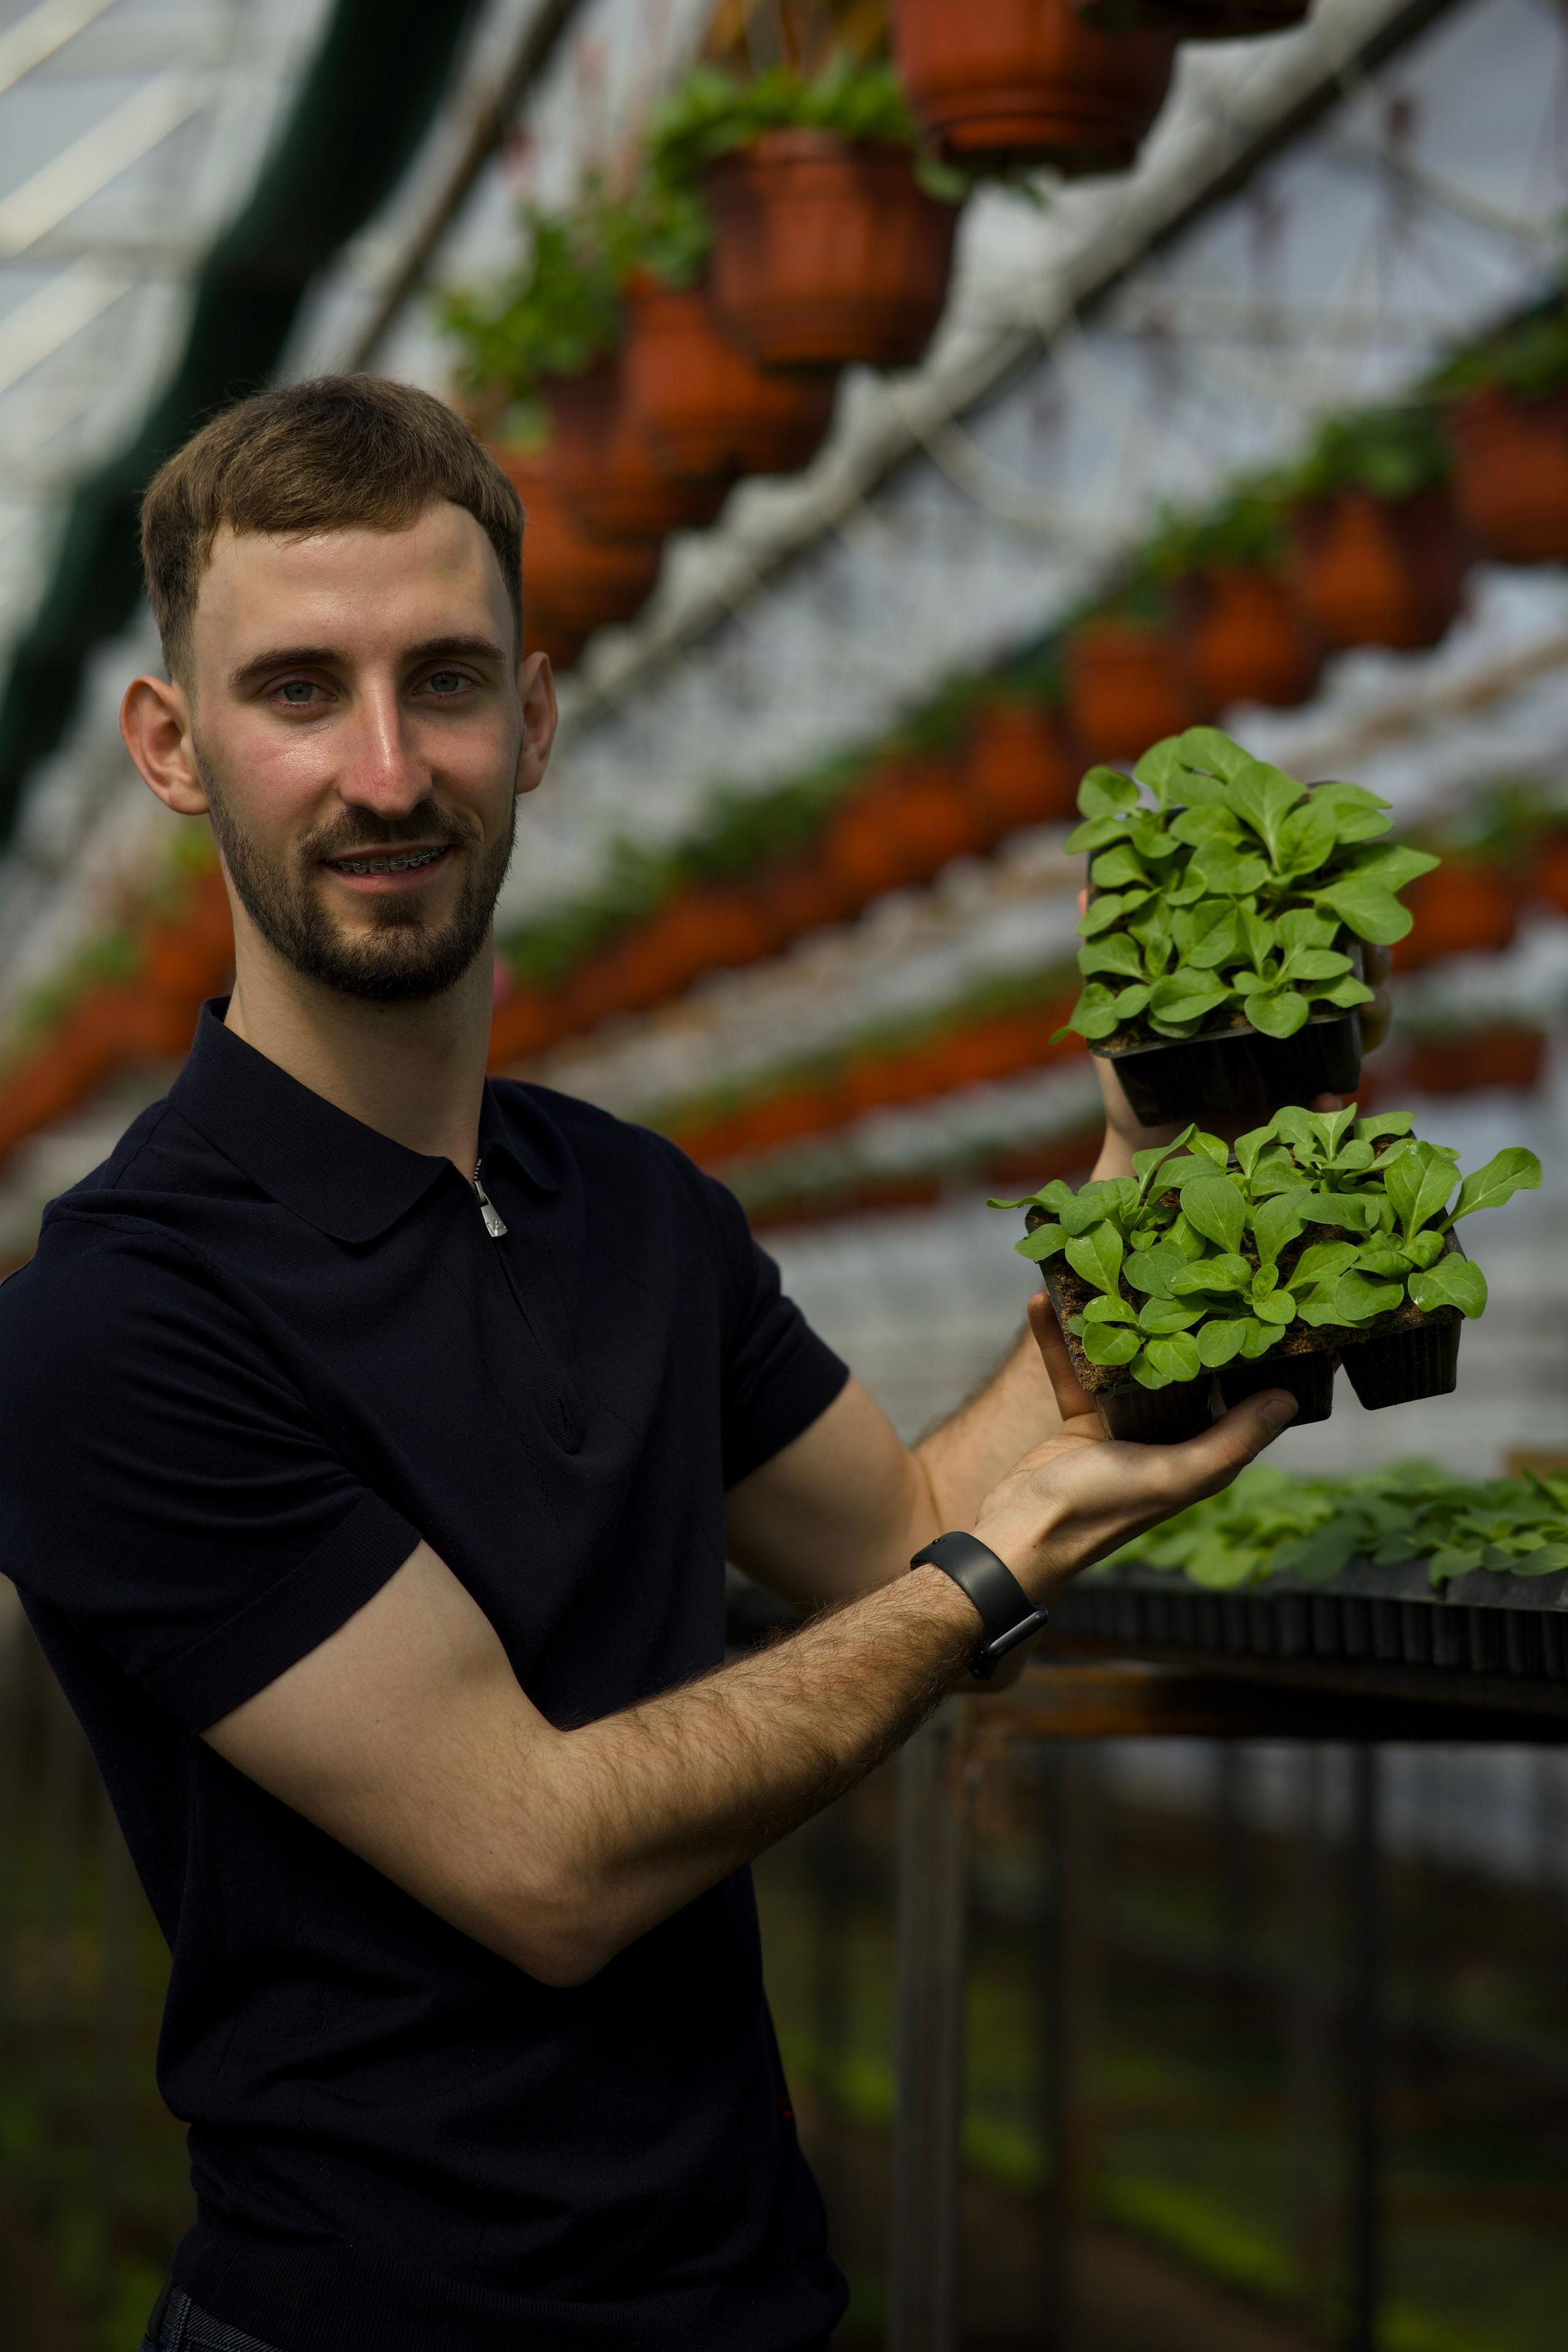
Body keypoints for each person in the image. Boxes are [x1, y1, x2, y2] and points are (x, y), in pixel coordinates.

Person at [0, 376, 1302, 2352]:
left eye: (446, 682)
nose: (382, 770)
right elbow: (542, 1865)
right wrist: (1007, 1567)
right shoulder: (120, 1315)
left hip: (748, 2298)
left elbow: (901, 1533)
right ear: (173, 749)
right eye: (296, 693)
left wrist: (1161, 1183)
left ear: (531, 725)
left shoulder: (631, 1205)